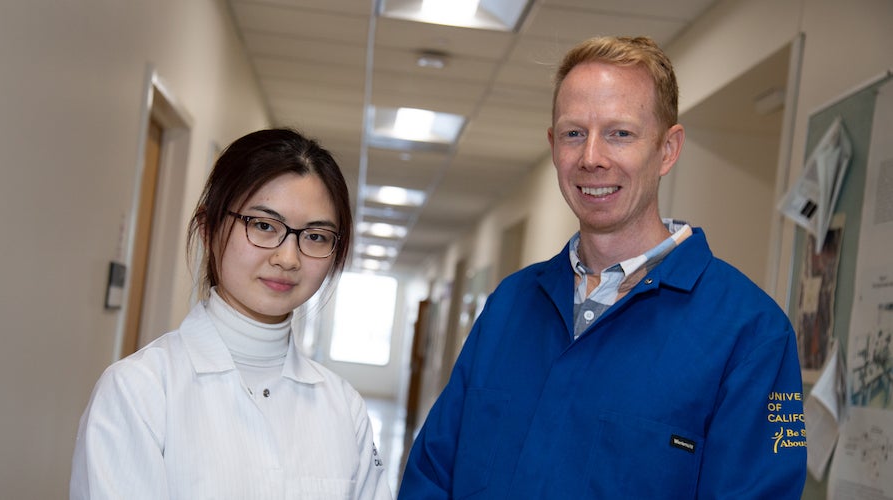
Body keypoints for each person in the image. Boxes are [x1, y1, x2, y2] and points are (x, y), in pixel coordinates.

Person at [399, 36, 807, 499]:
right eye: (574, 133)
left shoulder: (750, 333)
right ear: (554, 146)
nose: (592, 157)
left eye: (620, 133)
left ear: (668, 150)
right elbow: (431, 474)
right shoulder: (511, 305)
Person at [71, 128, 393, 499]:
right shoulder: (139, 390)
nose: (288, 258)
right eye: (263, 225)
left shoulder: (343, 407)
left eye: (316, 236)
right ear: (209, 230)